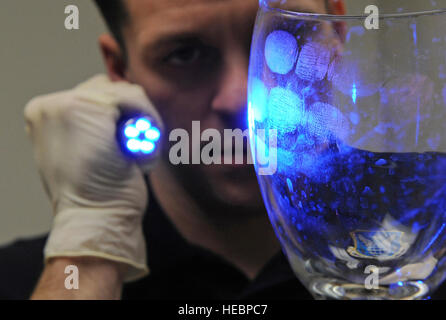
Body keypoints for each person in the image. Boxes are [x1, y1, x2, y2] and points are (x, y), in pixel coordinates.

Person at [0, 0, 444, 301]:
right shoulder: (27, 281)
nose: (240, 99)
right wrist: (89, 249)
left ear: (339, 30)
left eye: (287, 35)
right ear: (119, 69)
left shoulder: (433, 240)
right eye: (185, 54)